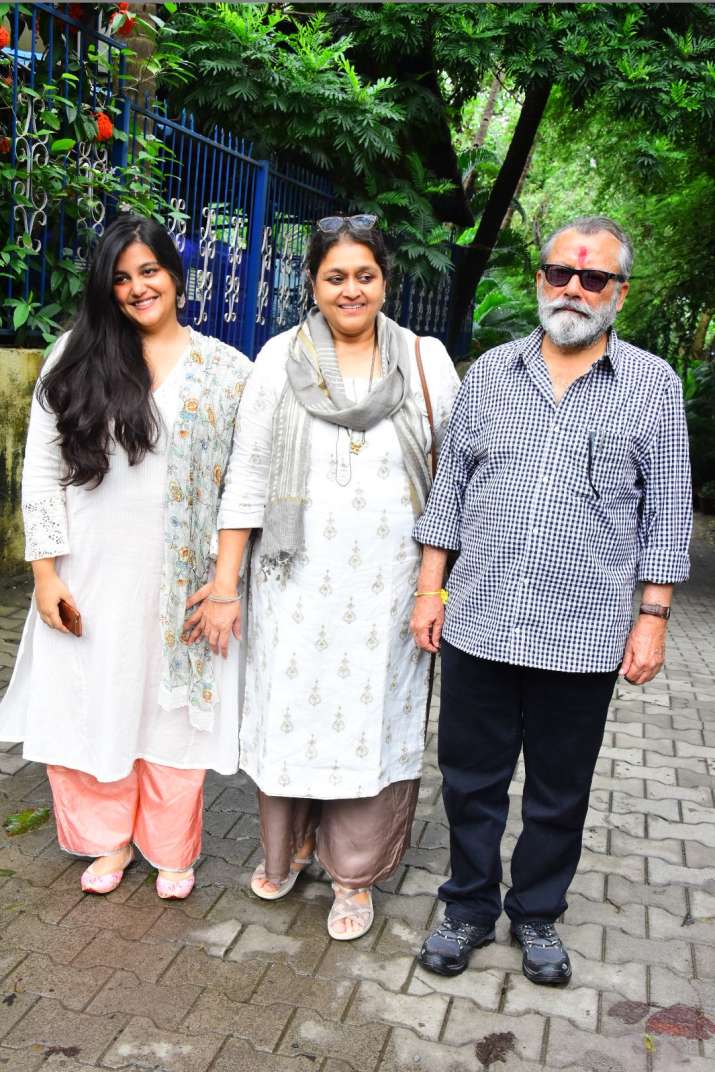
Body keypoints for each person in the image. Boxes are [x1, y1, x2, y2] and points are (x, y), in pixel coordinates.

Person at [411, 215, 692, 984]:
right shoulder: (491, 374)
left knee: (558, 789)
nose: (572, 288)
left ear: (618, 295)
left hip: (584, 629)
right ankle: (467, 907)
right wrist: (429, 588)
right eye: (558, 273)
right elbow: (450, 492)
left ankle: (536, 914)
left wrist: (652, 618)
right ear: (540, 279)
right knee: (469, 777)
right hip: (479, 614)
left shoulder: (651, 386)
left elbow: (666, 513)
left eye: (592, 277)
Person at [194, 214, 460, 939]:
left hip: (387, 590)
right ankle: (286, 851)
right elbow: (245, 479)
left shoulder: (425, 361)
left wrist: (431, 588)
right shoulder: (279, 358)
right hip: (292, 585)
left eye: (364, 276)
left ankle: (353, 877)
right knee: (290, 717)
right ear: (312, 283)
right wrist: (224, 587)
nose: (350, 290)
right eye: (335, 276)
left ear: (384, 281)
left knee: (370, 727)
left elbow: (451, 486)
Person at [0, 214, 252, 899]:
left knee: (168, 715)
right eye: (120, 277)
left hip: (181, 580)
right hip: (90, 569)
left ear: (174, 274)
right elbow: (40, 472)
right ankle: (105, 842)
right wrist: (46, 573)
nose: (138, 287)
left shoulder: (229, 372)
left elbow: (245, 486)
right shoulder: (74, 358)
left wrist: (227, 581)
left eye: (149, 271)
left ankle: (172, 848)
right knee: (93, 700)